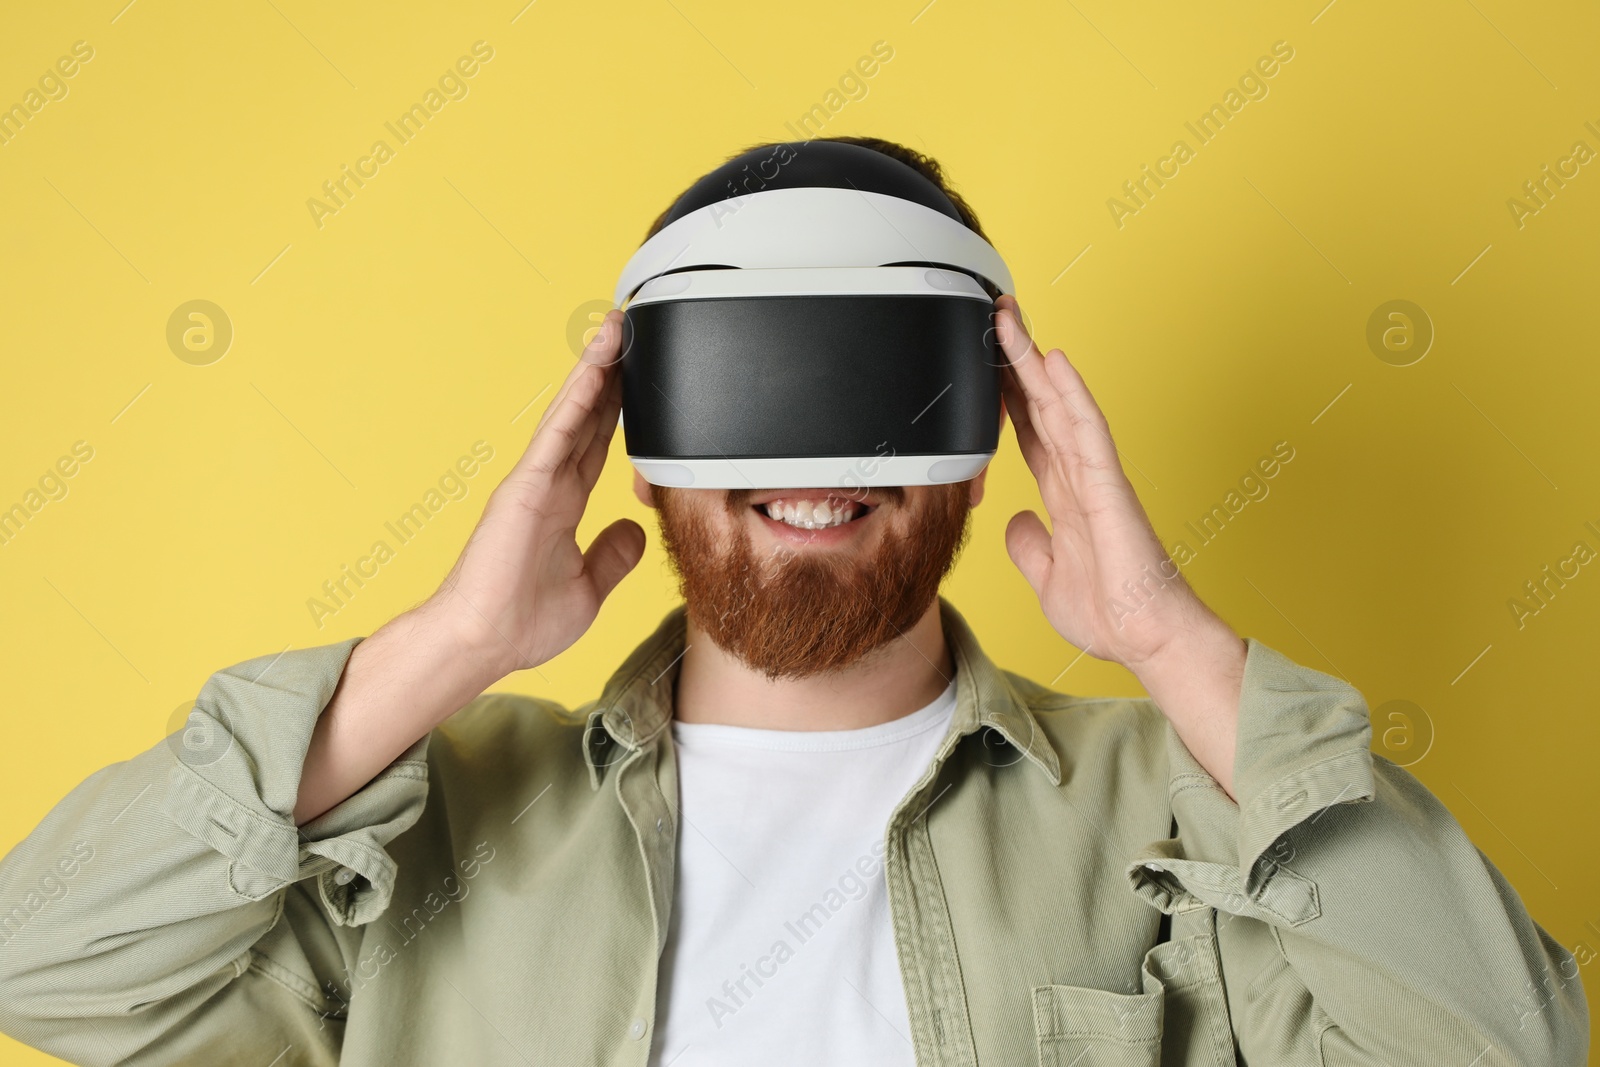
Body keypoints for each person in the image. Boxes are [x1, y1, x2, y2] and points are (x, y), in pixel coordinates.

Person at [0, 137, 1587, 1067]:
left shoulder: (1171, 812)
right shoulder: (436, 824)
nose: (815, 461)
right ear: (634, 439)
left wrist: (1174, 644)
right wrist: (441, 652)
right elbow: (43, 962)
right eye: (751, 389)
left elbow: (1506, 1048)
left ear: (991, 431)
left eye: (882, 384)